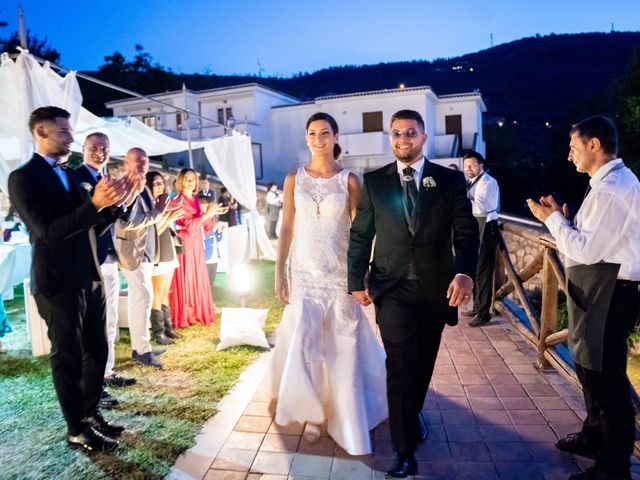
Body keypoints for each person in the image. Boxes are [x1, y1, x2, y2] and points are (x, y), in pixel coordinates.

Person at [348, 109, 478, 478]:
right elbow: (361, 235)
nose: (402, 140)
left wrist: (465, 273)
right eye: (396, 134)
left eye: (410, 133)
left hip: (436, 289)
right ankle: (403, 450)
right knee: (401, 365)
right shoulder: (375, 182)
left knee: (423, 362)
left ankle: (411, 411)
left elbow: (466, 233)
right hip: (391, 288)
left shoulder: (449, 181)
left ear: (424, 137)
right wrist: (355, 280)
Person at [8, 106, 131, 453]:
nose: (71, 137)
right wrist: (93, 205)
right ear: (41, 132)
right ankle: (75, 428)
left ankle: (91, 415)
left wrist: (116, 204)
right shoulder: (23, 178)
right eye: (63, 131)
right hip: (57, 281)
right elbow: (47, 232)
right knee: (69, 356)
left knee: (98, 348)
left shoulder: (69, 174)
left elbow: (89, 223)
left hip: (88, 275)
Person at [267, 112, 387, 456]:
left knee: (342, 343)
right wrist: (280, 271)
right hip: (304, 272)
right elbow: (287, 227)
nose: (317, 138)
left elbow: (361, 231)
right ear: (306, 138)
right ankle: (315, 414)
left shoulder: (350, 180)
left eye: (324, 132)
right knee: (307, 345)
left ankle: (346, 413)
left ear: (336, 137)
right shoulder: (294, 179)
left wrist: (361, 273)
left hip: (338, 273)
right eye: (311, 133)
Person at [527, 116, 640, 480]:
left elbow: (589, 251)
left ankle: (613, 468)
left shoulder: (613, 189)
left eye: (573, 147)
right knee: (590, 369)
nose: (568, 155)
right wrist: (567, 223)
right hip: (600, 289)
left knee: (606, 381)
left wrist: (552, 222)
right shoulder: (607, 183)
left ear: (595, 146)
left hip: (611, 292)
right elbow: (596, 240)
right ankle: (593, 437)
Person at [71, 132, 137, 398]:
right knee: (90, 326)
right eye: (95, 147)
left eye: (105, 148)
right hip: (88, 260)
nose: (100, 152)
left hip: (109, 259)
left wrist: (126, 199)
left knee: (109, 319)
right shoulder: (76, 179)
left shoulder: (106, 179)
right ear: (84, 149)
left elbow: (117, 218)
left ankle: (106, 372)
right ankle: (92, 382)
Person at [113, 148, 175, 367]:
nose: (142, 165)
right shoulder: (125, 187)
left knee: (138, 299)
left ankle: (140, 347)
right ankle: (142, 350)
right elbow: (124, 223)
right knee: (144, 297)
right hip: (132, 253)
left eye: (145, 161)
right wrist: (156, 214)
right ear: (125, 162)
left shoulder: (143, 187)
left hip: (146, 253)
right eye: (137, 161)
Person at [169, 168, 227, 328]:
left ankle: (195, 312)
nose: (190, 181)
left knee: (197, 275)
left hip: (196, 242)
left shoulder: (194, 200)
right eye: (187, 178)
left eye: (193, 179)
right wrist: (207, 214)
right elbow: (188, 225)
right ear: (180, 181)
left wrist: (214, 222)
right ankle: (185, 314)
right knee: (187, 276)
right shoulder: (178, 200)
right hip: (185, 241)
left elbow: (202, 223)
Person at [462, 150, 501, 327]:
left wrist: (459, 200)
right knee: (476, 269)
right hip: (477, 228)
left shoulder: (487, 182)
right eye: (466, 166)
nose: (468, 168)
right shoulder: (472, 182)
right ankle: (477, 307)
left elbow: (479, 208)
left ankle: (484, 313)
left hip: (488, 229)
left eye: (472, 165)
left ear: (481, 166)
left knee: (484, 271)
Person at [146, 171, 184, 344]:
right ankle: (158, 333)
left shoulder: (162, 202)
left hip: (169, 248)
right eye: (155, 183)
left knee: (165, 292)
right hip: (157, 251)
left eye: (161, 183)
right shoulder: (148, 205)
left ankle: (168, 328)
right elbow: (151, 233)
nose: (159, 186)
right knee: (157, 293)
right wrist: (169, 218)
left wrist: (171, 217)